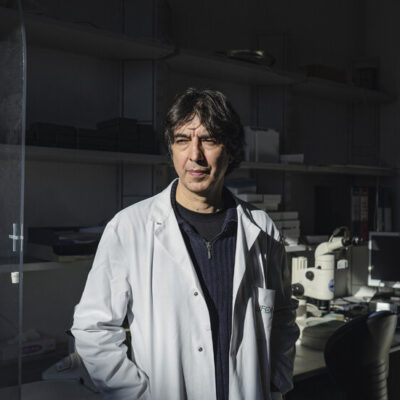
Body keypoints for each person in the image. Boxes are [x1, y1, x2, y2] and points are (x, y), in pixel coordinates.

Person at [71, 88, 299, 400]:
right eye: (182, 140)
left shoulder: (262, 230)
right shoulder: (129, 228)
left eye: (208, 140)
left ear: (230, 150)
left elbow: (283, 315)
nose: (195, 155)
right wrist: (137, 395)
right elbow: (93, 329)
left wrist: (276, 380)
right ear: (172, 149)